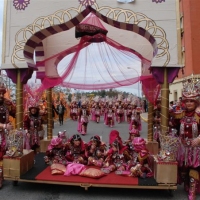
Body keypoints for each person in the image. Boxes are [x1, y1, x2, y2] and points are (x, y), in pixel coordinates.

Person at [171, 76, 200, 200]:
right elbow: (174, 126)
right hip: (183, 147)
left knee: (194, 168)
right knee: (184, 168)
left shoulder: (199, 115)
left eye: (191, 101)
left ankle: (192, 191)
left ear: (196, 102)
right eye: (187, 101)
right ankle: (187, 185)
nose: (189, 103)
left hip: (196, 148)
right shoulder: (181, 114)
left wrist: (199, 139)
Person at [0, 79, 16, 188]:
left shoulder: (7, 103)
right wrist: (4, 126)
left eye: (2, 92)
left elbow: (17, 113)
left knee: (9, 153)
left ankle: (9, 173)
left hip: (7, 134)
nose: (1, 95)